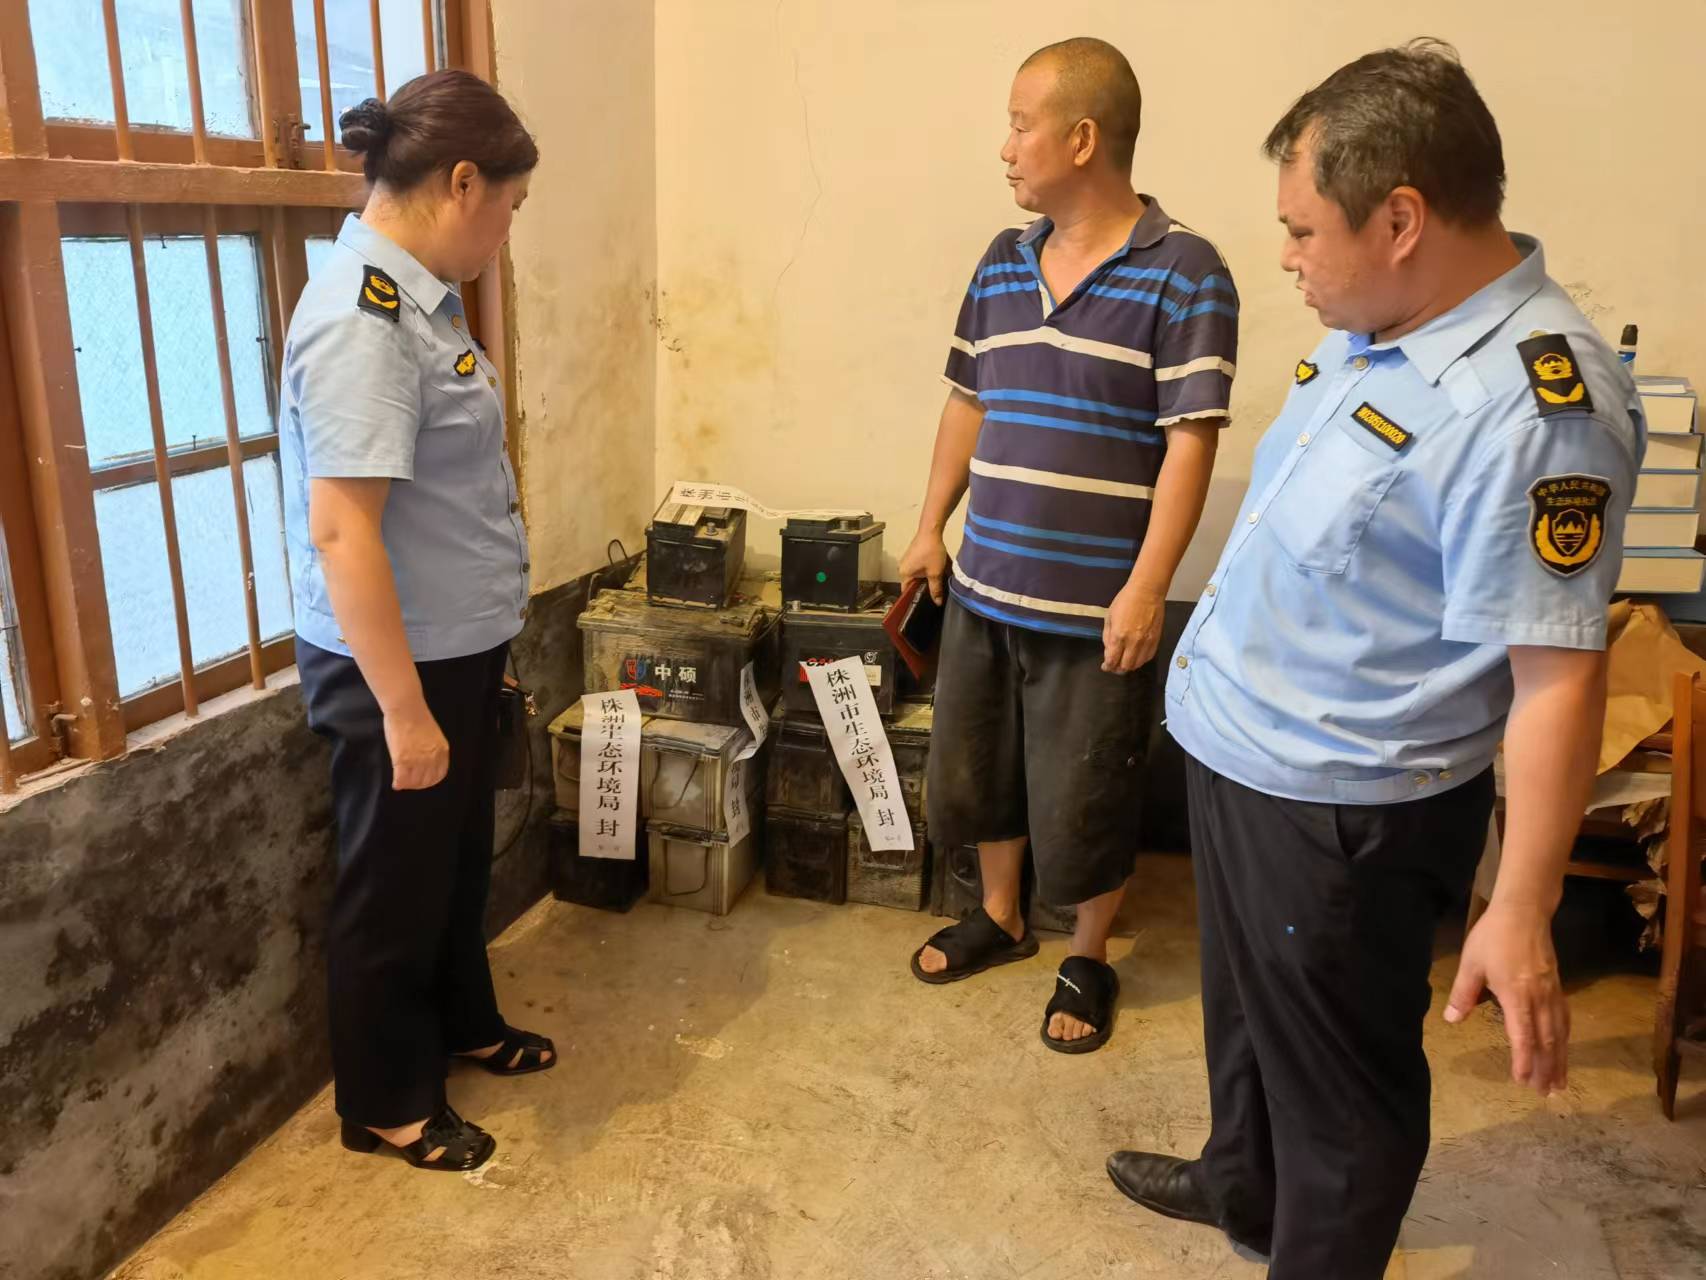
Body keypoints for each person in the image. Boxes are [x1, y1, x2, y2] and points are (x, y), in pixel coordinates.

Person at [1106, 41, 1644, 1276]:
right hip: (1242, 747)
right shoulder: (1378, 323)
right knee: (1246, 1017)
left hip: (1341, 806)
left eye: (1300, 231)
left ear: (1399, 219)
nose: (1285, 258)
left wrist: (1520, 903)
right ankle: (1241, 1182)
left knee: (1341, 1098)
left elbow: (1557, 674)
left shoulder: (1534, 407)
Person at [903, 37, 1238, 1053]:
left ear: (1082, 138)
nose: (1005, 146)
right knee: (982, 769)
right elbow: (967, 400)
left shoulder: (1186, 273)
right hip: (985, 583)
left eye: (1020, 124)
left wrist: (1147, 587)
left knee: (1087, 788)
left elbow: (1190, 443)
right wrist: (929, 526)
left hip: (1096, 606)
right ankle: (1001, 917)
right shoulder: (1002, 261)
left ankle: (1088, 953)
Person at [280, 70, 546, 1173]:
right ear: (462, 181)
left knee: (451, 862)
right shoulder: (362, 322)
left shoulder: (420, 302)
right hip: (396, 665)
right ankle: (387, 1100)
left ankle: (463, 1021)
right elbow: (343, 530)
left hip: (452, 645)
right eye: (509, 206)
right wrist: (401, 708)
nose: (506, 229)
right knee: (392, 882)